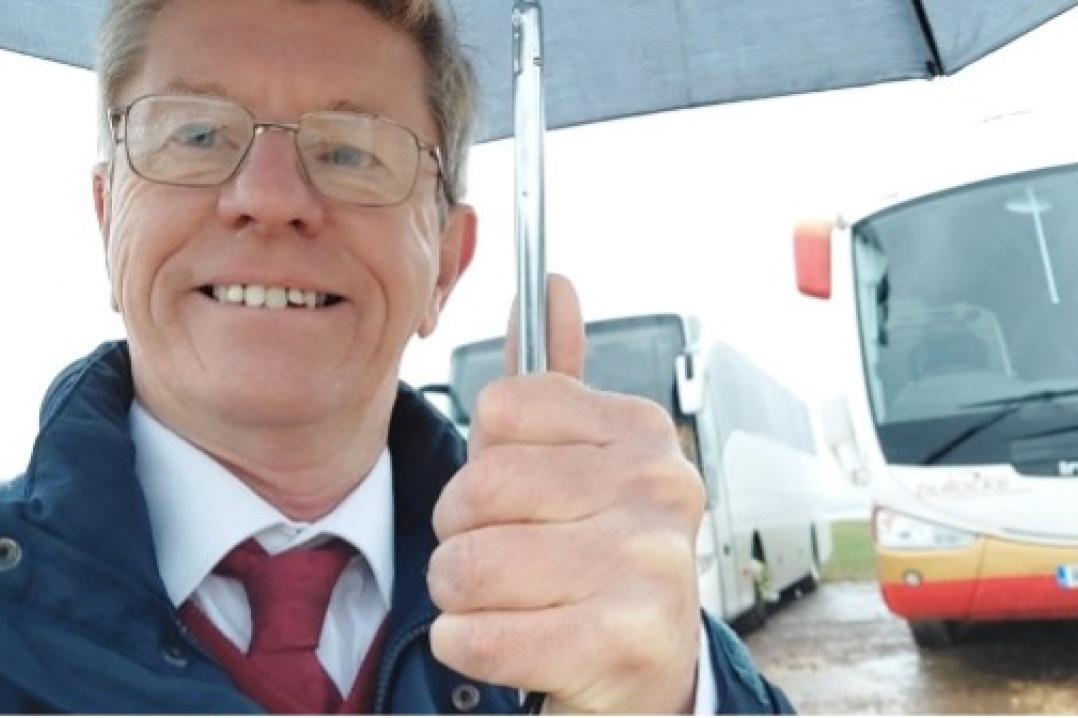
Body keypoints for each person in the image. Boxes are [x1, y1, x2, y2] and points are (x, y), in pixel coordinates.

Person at [0, 0, 793, 713]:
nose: (271, 197)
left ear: (445, 263)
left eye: (351, 152)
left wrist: (672, 699)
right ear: (108, 220)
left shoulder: (597, 630)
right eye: (198, 135)